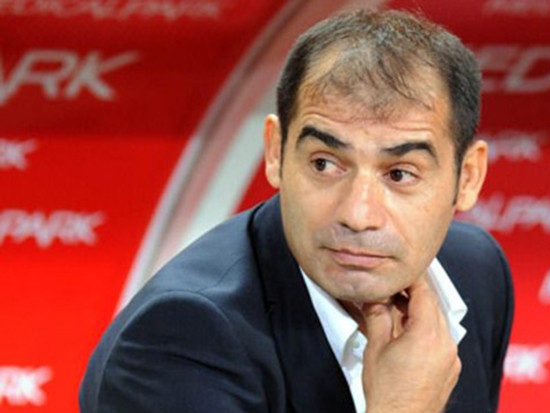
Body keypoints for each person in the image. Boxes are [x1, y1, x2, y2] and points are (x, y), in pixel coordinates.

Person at [79, 8, 513, 413]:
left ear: (467, 177)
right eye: (324, 164)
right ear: (276, 152)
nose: (358, 214)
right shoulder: (179, 342)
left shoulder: (475, 270)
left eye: (400, 174)